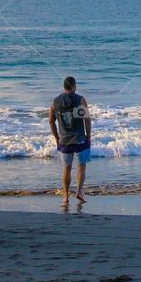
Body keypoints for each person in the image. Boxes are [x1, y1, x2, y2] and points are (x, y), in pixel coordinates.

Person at [49, 76, 91, 209]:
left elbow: (51, 121)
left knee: (66, 168)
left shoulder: (55, 102)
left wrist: (56, 137)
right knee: (81, 167)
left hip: (64, 140)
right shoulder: (80, 100)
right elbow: (87, 120)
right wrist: (88, 137)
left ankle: (66, 196)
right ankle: (79, 192)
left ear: (64, 87)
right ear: (74, 86)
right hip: (79, 139)